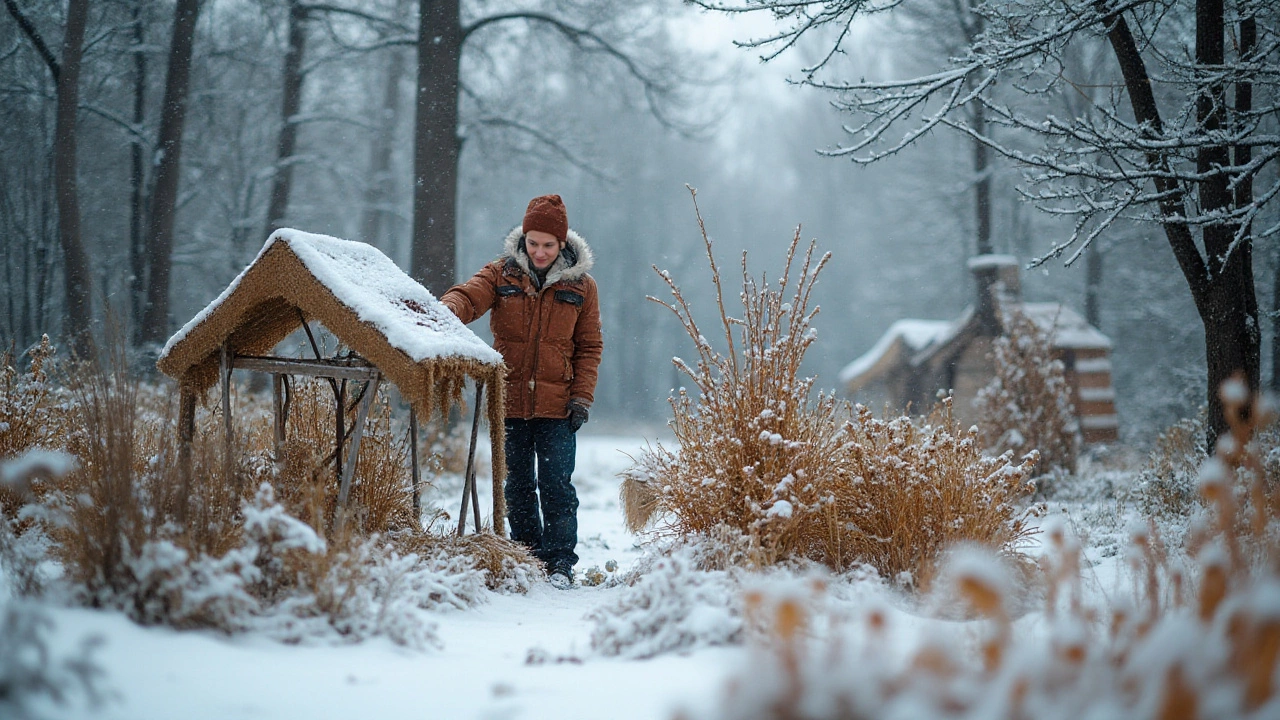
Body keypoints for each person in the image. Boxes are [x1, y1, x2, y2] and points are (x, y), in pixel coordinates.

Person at [440, 194, 603, 588]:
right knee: (516, 485)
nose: (540, 251)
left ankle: (560, 562)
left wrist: (581, 397)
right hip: (509, 403)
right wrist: (443, 309)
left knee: (556, 485)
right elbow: (469, 295)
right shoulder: (501, 275)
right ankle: (528, 556)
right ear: (523, 238)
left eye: (548, 244)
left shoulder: (582, 287)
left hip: (558, 407)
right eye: (533, 242)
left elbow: (590, 347)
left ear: (562, 243)